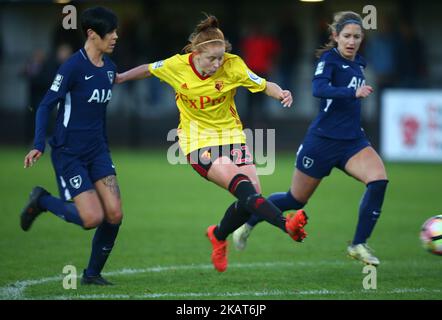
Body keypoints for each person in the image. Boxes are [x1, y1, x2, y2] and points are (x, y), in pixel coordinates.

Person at [116, 15, 308, 272]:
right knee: (246, 192)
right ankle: (286, 225)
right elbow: (149, 69)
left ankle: (218, 235)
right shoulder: (177, 65)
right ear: (196, 53)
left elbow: (263, 85)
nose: (218, 63)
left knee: (252, 197)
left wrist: (281, 92)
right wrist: (118, 78)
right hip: (196, 143)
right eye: (212, 58)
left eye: (221, 57)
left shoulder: (233, 65)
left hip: (231, 137)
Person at [234, 11, 388, 266]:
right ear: (336, 36)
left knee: (379, 180)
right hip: (322, 142)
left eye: (357, 37)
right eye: (347, 36)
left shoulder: (359, 63)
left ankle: (358, 244)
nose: (351, 41)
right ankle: (247, 225)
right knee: (295, 199)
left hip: (352, 141)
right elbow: (318, 89)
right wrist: (353, 93)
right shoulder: (328, 60)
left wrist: (354, 94)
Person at [21, 7, 122, 285]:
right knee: (91, 219)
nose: (115, 36)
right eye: (110, 32)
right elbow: (45, 105)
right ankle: (42, 200)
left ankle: (92, 274)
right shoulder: (72, 67)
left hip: (98, 151)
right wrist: (39, 143)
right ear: (92, 34)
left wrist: (105, 151)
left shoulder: (110, 70)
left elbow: (99, 116)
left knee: (114, 214)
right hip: (70, 153)